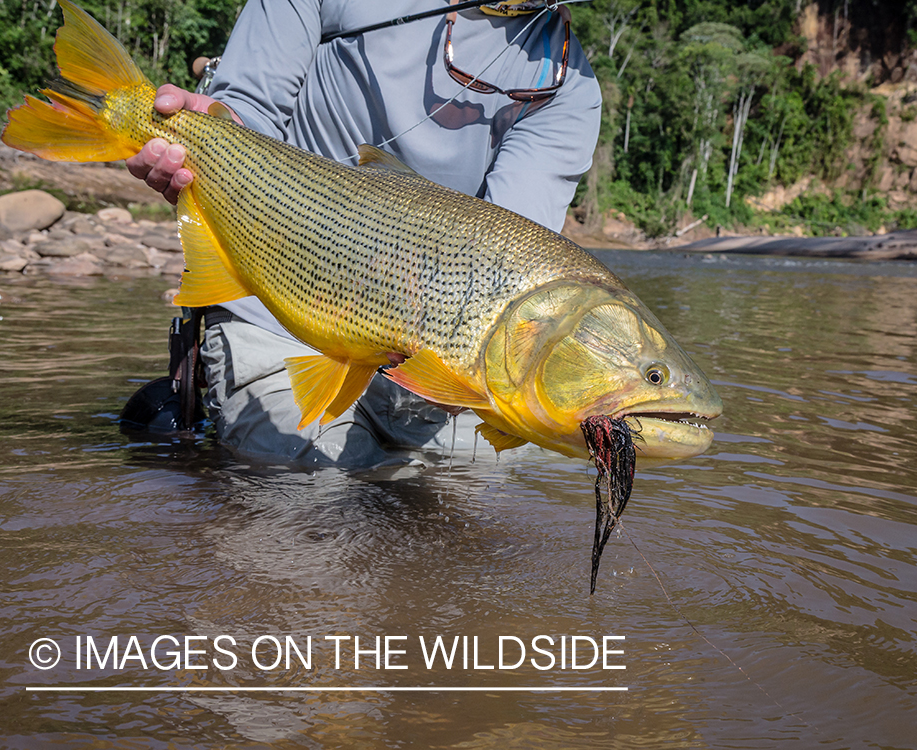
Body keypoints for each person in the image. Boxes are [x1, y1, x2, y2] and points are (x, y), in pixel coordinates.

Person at [127, 0, 601, 468]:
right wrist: (207, 137)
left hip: (432, 353)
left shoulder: (572, 90)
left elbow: (511, 258)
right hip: (279, 309)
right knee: (316, 495)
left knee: (469, 517)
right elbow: (249, 112)